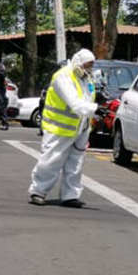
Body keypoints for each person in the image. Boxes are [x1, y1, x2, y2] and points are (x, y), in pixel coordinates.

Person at [28, 49, 98, 208]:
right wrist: (95, 109)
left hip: (80, 128)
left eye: (91, 65)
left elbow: (87, 97)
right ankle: (38, 192)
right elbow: (75, 104)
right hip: (59, 128)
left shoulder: (85, 78)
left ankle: (70, 195)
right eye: (87, 65)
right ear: (78, 63)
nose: (89, 68)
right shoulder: (64, 77)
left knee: (75, 164)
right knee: (51, 161)